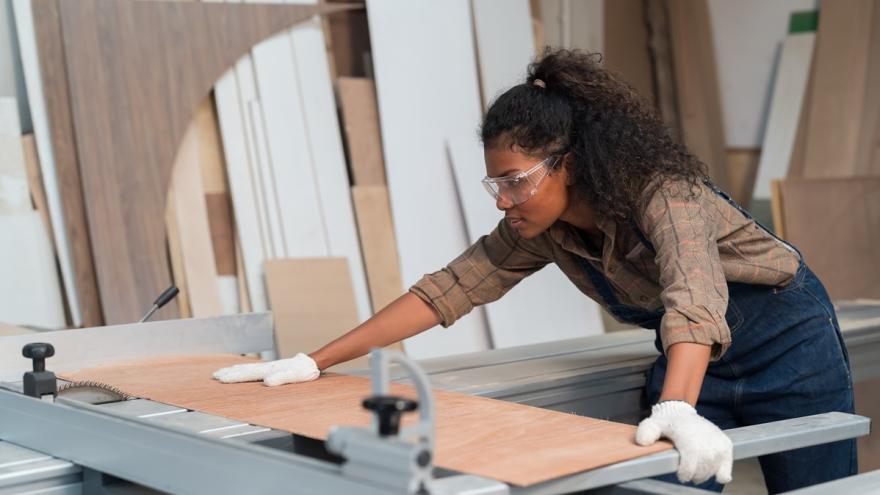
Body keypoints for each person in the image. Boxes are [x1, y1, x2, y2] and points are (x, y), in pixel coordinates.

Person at [213, 49, 856, 492]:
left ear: (567, 166)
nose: (502, 200)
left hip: (787, 345)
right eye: (495, 182)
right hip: (692, 359)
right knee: (646, 487)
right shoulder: (540, 228)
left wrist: (678, 407)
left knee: (819, 492)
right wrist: (313, 362)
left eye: (515, 182)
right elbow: (447, 290)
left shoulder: (666, 195)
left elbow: (693, 297)